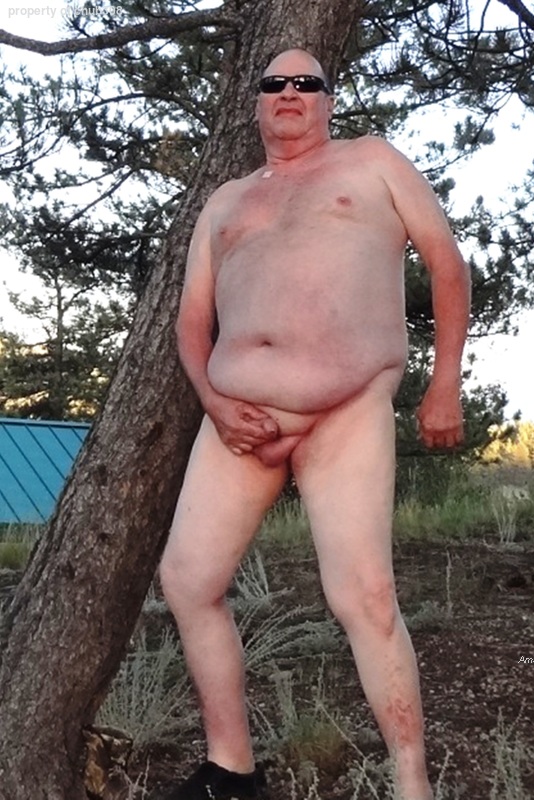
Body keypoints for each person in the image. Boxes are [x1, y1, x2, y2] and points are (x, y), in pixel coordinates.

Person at [160, 47, 470, 800]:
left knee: (364, 597)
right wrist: (213, 401)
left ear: (329, 100)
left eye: (308, 82)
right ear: (255, 103)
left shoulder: (372, 162)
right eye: (274, 83)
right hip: (238, 421)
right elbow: (192, 322)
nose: (290, 92)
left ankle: (412, 785)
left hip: (345, 408)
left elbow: (447, 263)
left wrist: (445, 384)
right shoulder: (226, 200)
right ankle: (231, 770)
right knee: (187, 581)